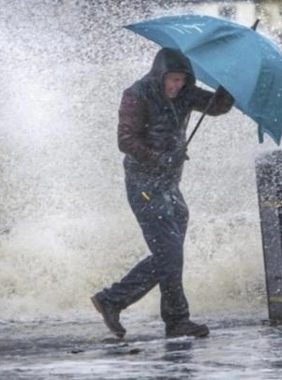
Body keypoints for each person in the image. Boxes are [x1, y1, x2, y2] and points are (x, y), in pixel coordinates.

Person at [91, 48, 234, 339]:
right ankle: (113, 299)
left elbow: (217, 106)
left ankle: (175, 321)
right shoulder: (137, 94)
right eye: (172, 80)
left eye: (182, 80)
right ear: (160, 75)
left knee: (172, 254)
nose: (176, 86)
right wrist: (158, 157)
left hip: (170, 186)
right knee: (169, 254)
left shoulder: (186, 93)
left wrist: (228, 84)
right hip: (143, 185)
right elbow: (125, 140)